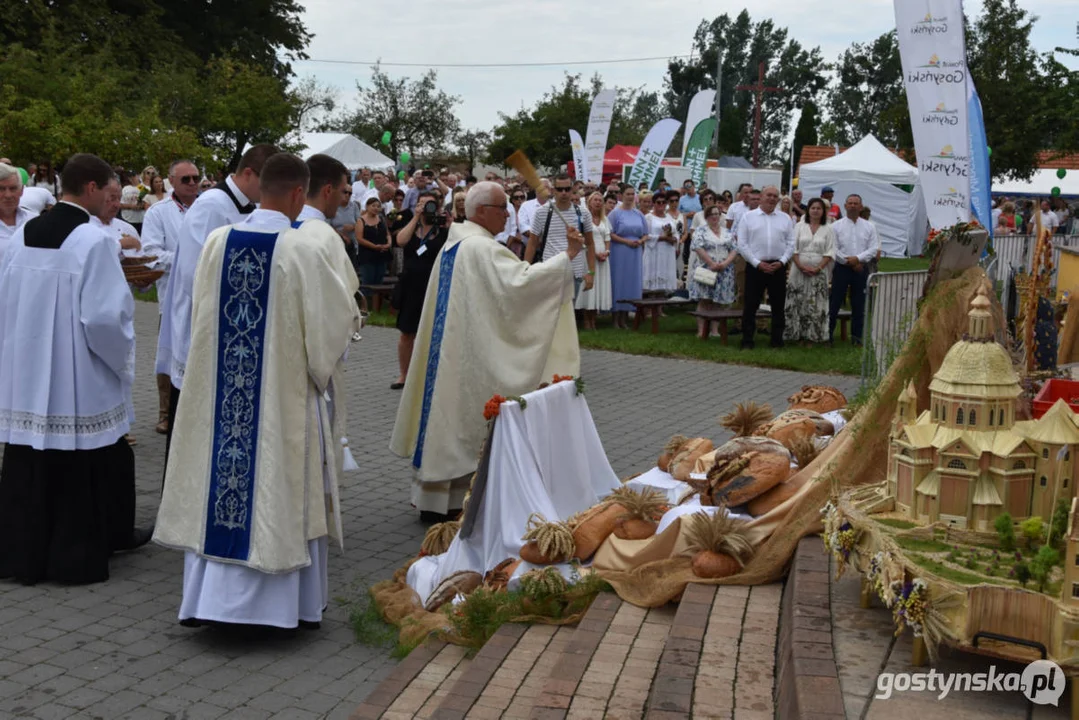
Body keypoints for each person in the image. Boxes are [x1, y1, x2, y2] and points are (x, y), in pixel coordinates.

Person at [153, 153, 359, 630]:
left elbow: (200, 309)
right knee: (276, 488)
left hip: (223, 396)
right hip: (280, 403)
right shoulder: (302, 250)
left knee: (220, 484)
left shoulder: (217, 241)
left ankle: (209, 603)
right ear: (296, 195)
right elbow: (330, 329)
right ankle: (284, 609)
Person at [390, 181, 582, 521]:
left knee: (446, 418)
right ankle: (458, 500)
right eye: (501, 207)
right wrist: (566, 259)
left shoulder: (456, 245)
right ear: (481, 212)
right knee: (461, 420)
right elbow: (521, 285)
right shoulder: (480, 249)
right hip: (464, 355)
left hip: (453, 349)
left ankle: (438, 499)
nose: (508, 213)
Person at [0, 153, 151, 586]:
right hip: (78, 374)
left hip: (26, 373)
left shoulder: (23, 234)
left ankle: (21, 555)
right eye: (109, 193)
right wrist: (121, 357)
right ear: (90, 189)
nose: (114, 202)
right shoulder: (92, 241)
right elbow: (104, 318)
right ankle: (73, 556)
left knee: (30, 461)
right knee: (83, 461)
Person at [159, 143, 279, 476]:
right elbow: (194, 273)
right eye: (266, 182)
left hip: (230, 333)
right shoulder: (212, 205)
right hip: (204, 331)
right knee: (190, 426)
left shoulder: (246, 207)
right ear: (249, 173)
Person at [142, 159, 201, 434]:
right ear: (171, 182)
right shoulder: (159, 212)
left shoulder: (207, 208)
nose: (192, 183)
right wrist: (188, 260)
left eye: (195, 178)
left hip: (204, 297)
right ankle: (166, 412)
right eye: (185, 179)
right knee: (168, 354)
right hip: (173, 296)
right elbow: (151, 255)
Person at [392, 190, 450, 389]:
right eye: (422, 204)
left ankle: (429, 374)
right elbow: (400, 241)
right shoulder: (412, 225)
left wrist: (448, 224)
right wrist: (416, 216)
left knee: (432, 332)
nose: (427, 208)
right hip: (411, 285)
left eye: (430, 204)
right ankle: (404, 375)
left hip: (434, 284)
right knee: (407, 332)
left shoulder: (442, 229)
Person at [734, 186, 795, 349]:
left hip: (778, 266)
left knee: (778, 305)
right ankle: (747, 340)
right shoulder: (748, 217)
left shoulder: (785, 219)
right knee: (751, 304)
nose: (772, 198)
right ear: (761, 197)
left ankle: (777, 340)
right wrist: (757, 263)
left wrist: (782, 261)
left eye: (775, 196)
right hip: (755, 267)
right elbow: (742, 244)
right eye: (769, 195)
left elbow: (791, 243)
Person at [525, 174, 596, 301]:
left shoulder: (583, 213)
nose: (564, 193)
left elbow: (590, 244)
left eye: (567, 189)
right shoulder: (541, 212)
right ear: (553, 191)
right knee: (550, 315)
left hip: (574, 271)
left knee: (568, 315)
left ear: (572, 189)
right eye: (559, 189)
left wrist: (591, 272)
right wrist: (525, 269)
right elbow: (532, 243)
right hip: (550, 270)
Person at [784, 198, 836, 345]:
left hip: (819, 270)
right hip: (798, 269)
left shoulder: (829, 228)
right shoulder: (799, 226)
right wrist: (801, 266)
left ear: (823, 211)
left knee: (816, 302)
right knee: (798, 300)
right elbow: (792, 248)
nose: (815, 211)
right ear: (808, 210)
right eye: (812, 208)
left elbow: (830, 251)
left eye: (819, 208)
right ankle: (795, 334)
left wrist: (818, 268)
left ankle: (814, 335)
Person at [829, 194, 878, 346]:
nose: (852, 206)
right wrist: (849, 261)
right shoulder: (836, 226)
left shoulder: (869, 226)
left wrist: (858, 259)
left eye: (856, 203)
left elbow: (873, 248)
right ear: (845, 206)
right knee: (835, 302)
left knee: (859, 303)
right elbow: (833, 248)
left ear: (861, 207)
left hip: (861, 268)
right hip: (842, 268)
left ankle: (857, 337)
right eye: (850, 203)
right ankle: (828, 335)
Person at [687, 205, 737, 339]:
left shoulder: (727, 232)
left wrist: (725, 263)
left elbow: (734, 249)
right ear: (707, 216)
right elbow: (697, 247)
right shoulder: (700, 231)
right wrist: (711, 263)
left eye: (717, 214)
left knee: (718, 301)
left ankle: (715, 330)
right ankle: (701, 330)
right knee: (705, 300)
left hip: (724, 271)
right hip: (706, 269)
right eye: (712, 214)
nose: (715, 216)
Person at [608, 186, 648, 329]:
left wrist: (641, 241)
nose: (630, 197)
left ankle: (625, 317)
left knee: (631, 282)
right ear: (622, 195)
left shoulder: (638, 214)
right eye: (628, 194)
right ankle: (615, 317)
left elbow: (645, 233)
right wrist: (626, 241)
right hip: (620, 250)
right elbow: (610, 233)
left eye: (632, 194)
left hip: (635, 251)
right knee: (619, 282)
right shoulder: (615, 214)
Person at [576, 191, 613, 329]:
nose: (598, 202)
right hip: (588, 255)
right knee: (589, 285)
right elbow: (583, 239)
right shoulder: (584, 218)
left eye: (600, 200)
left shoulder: (604, 219)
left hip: (603, 257)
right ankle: (586, 319)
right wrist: (595, 254)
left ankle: (594, 318)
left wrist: (606, 252)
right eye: (595, 200)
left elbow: (607, 238)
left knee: (600, 285)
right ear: (589, 202)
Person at [643, 192, 677, 294]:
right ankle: (648, 308)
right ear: (653, 204)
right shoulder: (648, 218)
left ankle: (659, 308)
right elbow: (645, 236)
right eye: (658, 202)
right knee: (652, 279)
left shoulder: (670, 218)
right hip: (653, 251)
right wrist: (662, 237)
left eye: (663, 202)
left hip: (667, 252)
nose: (661, 204)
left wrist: (673, 238)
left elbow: (676, 233)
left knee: (664, 279)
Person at [356, 195, 392, 288]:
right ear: (367, 206)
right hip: (367, 256)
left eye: (378, 206)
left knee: (379, 283)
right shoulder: (361, 220)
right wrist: (374, 246)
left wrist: (388, 243)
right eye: (373, 205)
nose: (376, 208)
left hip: (381, 255)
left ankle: (377, 301)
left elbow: (387, 233)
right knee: (368, 282)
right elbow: (359, 238)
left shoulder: (381, 219)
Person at [0, 163, 34, 245]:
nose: (8, 195)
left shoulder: (34, 221)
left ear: (21, 190)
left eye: (13, 188)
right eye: (1, 189)